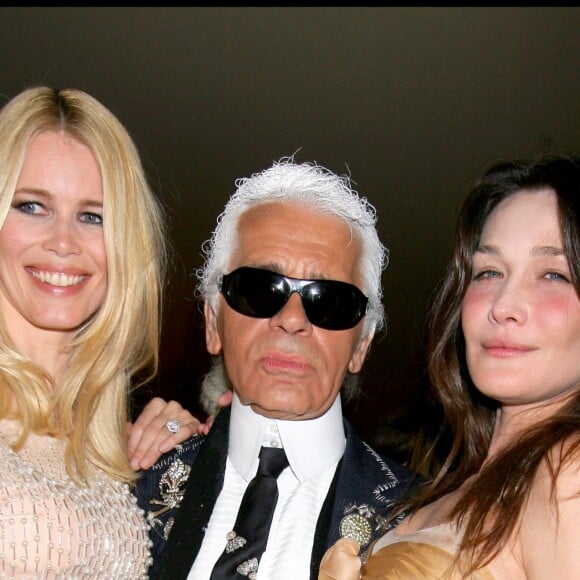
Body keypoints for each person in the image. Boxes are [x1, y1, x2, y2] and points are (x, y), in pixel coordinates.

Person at [137, 159, 416, 579]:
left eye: (329, 300)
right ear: (213, 323)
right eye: (260, 289)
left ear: (361, 345)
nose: (291, 318)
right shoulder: (135, 482)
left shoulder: (419, 521)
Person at [318, 153, 580, 579]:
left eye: (553, 274)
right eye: (489, 272)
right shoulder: (450, 488)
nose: (504, 306)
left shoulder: (566, 474)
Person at [0, 85, 209, 578]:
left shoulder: (110, 454)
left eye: (93, 216)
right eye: (32, 206)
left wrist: (187, 457)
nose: (64, 242)